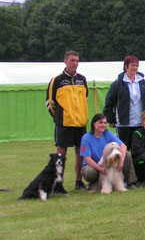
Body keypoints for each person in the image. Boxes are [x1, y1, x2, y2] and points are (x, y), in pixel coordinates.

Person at [46, 50, 89, 190]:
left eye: (77, 61)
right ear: (65, 61)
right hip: (64, 123)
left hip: (80, 123)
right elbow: (50, 103)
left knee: (80, 152)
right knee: (61, 153)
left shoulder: (82, 79)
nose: (75, 63)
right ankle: (58, 183)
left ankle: (78, 181)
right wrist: (59, 116)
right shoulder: (57, 80)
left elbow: (85, 99)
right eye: (72, 60)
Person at [103, 55, 145, 150]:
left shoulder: (142, 82)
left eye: (137, 65)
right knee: (123, 150)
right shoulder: (117, 83)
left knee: (139, 150)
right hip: (123, 123)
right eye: (133, 65)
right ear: (126, 66)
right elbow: (109, 102)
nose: (135, 67)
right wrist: (111, 119)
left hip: (139, 122)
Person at [80, 113, 137, 189]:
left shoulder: (108, 134)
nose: (103, 125)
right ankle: (94, 183)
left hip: (108, 163)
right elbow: (87, 158)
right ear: (94, 123)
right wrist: (100, 169)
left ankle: (131, 182)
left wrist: (121, 162)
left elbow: (123, 146)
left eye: (105, 123)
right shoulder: (86, 138)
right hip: (95, 165)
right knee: (89, 171)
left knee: (126, 154)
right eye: (100, 122)